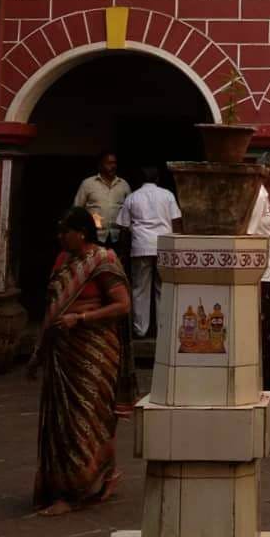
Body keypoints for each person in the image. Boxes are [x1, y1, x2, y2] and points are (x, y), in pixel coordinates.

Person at [27, 207, 131, 515]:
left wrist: (82, 318)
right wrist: (39, 351)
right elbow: (52, 308)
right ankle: (100, 475)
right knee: (65, 421)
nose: (60, 237)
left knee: (89, 417)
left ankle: (73, 492)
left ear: (81, 233)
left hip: (94, 350)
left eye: (65, 231)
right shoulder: (63, 261)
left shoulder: (103, 261)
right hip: (63, 352)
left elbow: (122, 305)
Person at [116, 165, 180, 338]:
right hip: (164, 246)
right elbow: (176, 222)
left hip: (141, 246)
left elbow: (122, 226)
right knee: (163, 287)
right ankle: (163, 328)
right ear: (157, 180)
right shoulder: (168, 196)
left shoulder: (132, 197)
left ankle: (140, 329)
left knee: (139, 289)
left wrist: (122, 250)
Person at [246, 153, 270, 396]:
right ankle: (264, 382)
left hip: (266, 271)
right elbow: (250, 234)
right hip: (262, 274)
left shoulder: (261, 193)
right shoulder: (259, 195)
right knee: (264, 329)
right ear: (268, 169)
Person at [72, 151, 130, 250]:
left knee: (114, 265)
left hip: (117, 237)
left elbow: (130, 210)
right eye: (109, 163)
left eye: (115, 163)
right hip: (94, 236)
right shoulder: (88, 184)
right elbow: (77, 210)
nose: (113, 166)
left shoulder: (123, 184)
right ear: (100, 165)